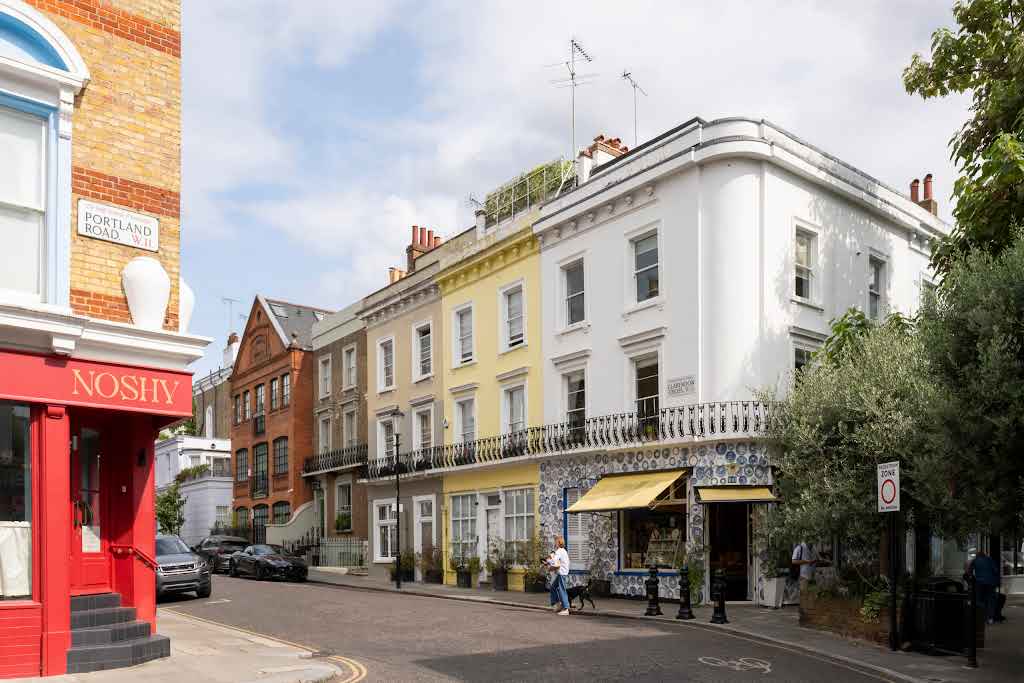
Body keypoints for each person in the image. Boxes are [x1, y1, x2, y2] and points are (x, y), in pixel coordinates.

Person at [966, 549, 1000, 625]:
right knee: (991, 600)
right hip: (991, 583)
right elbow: (996, 570)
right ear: (984, 555)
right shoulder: (990, 559)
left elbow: (969, 572)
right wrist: (996, 582)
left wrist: (971, 579)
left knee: (980, 600)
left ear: (977, 555)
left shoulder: (975, 561)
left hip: (979, 583)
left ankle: (981, 618)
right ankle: (990, 618)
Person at [548, 536, 571, 615]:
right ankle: (558, 605)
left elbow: (554, 562)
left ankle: (566, 609)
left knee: (562, 590)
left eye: (555, 541)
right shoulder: (563, 551)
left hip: (562, 573)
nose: (554, 543)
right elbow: (557, 562)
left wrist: (549, 563)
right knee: (553, 587)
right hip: (562, 573)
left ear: (558, 542)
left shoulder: (559, 551)